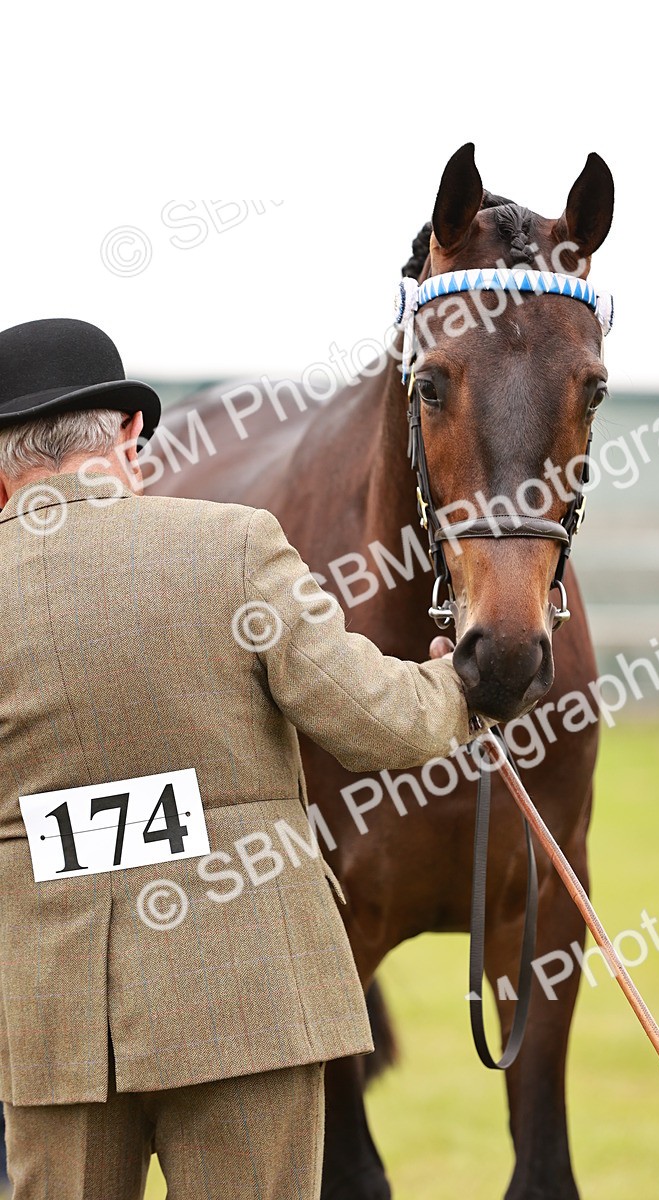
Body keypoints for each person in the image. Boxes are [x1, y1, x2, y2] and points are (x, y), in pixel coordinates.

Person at [0, 318, 479, 1199]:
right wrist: (460, 683)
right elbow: (383, 725)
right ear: (129, 439)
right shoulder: (235, 546)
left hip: (50, 1028)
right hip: (250, 1005)